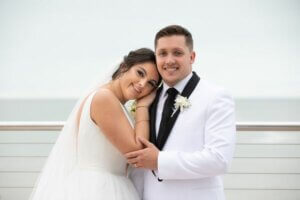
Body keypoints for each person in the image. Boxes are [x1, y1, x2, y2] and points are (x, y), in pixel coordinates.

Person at [29, 48, 161, 200]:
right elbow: (139, 153)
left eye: (151, 83)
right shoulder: (104, 98)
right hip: (98, 188)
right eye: (140, 73)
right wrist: (142, 107)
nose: (142, 84)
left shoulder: (112, 101)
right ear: (124, 67)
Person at [126, 25, 236, 200]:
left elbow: (219, 160)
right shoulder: (147, 98)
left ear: (192, 57)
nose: (169, 60)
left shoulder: (215, 96)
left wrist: (160, 161)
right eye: (162, 53)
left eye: (177, 53)